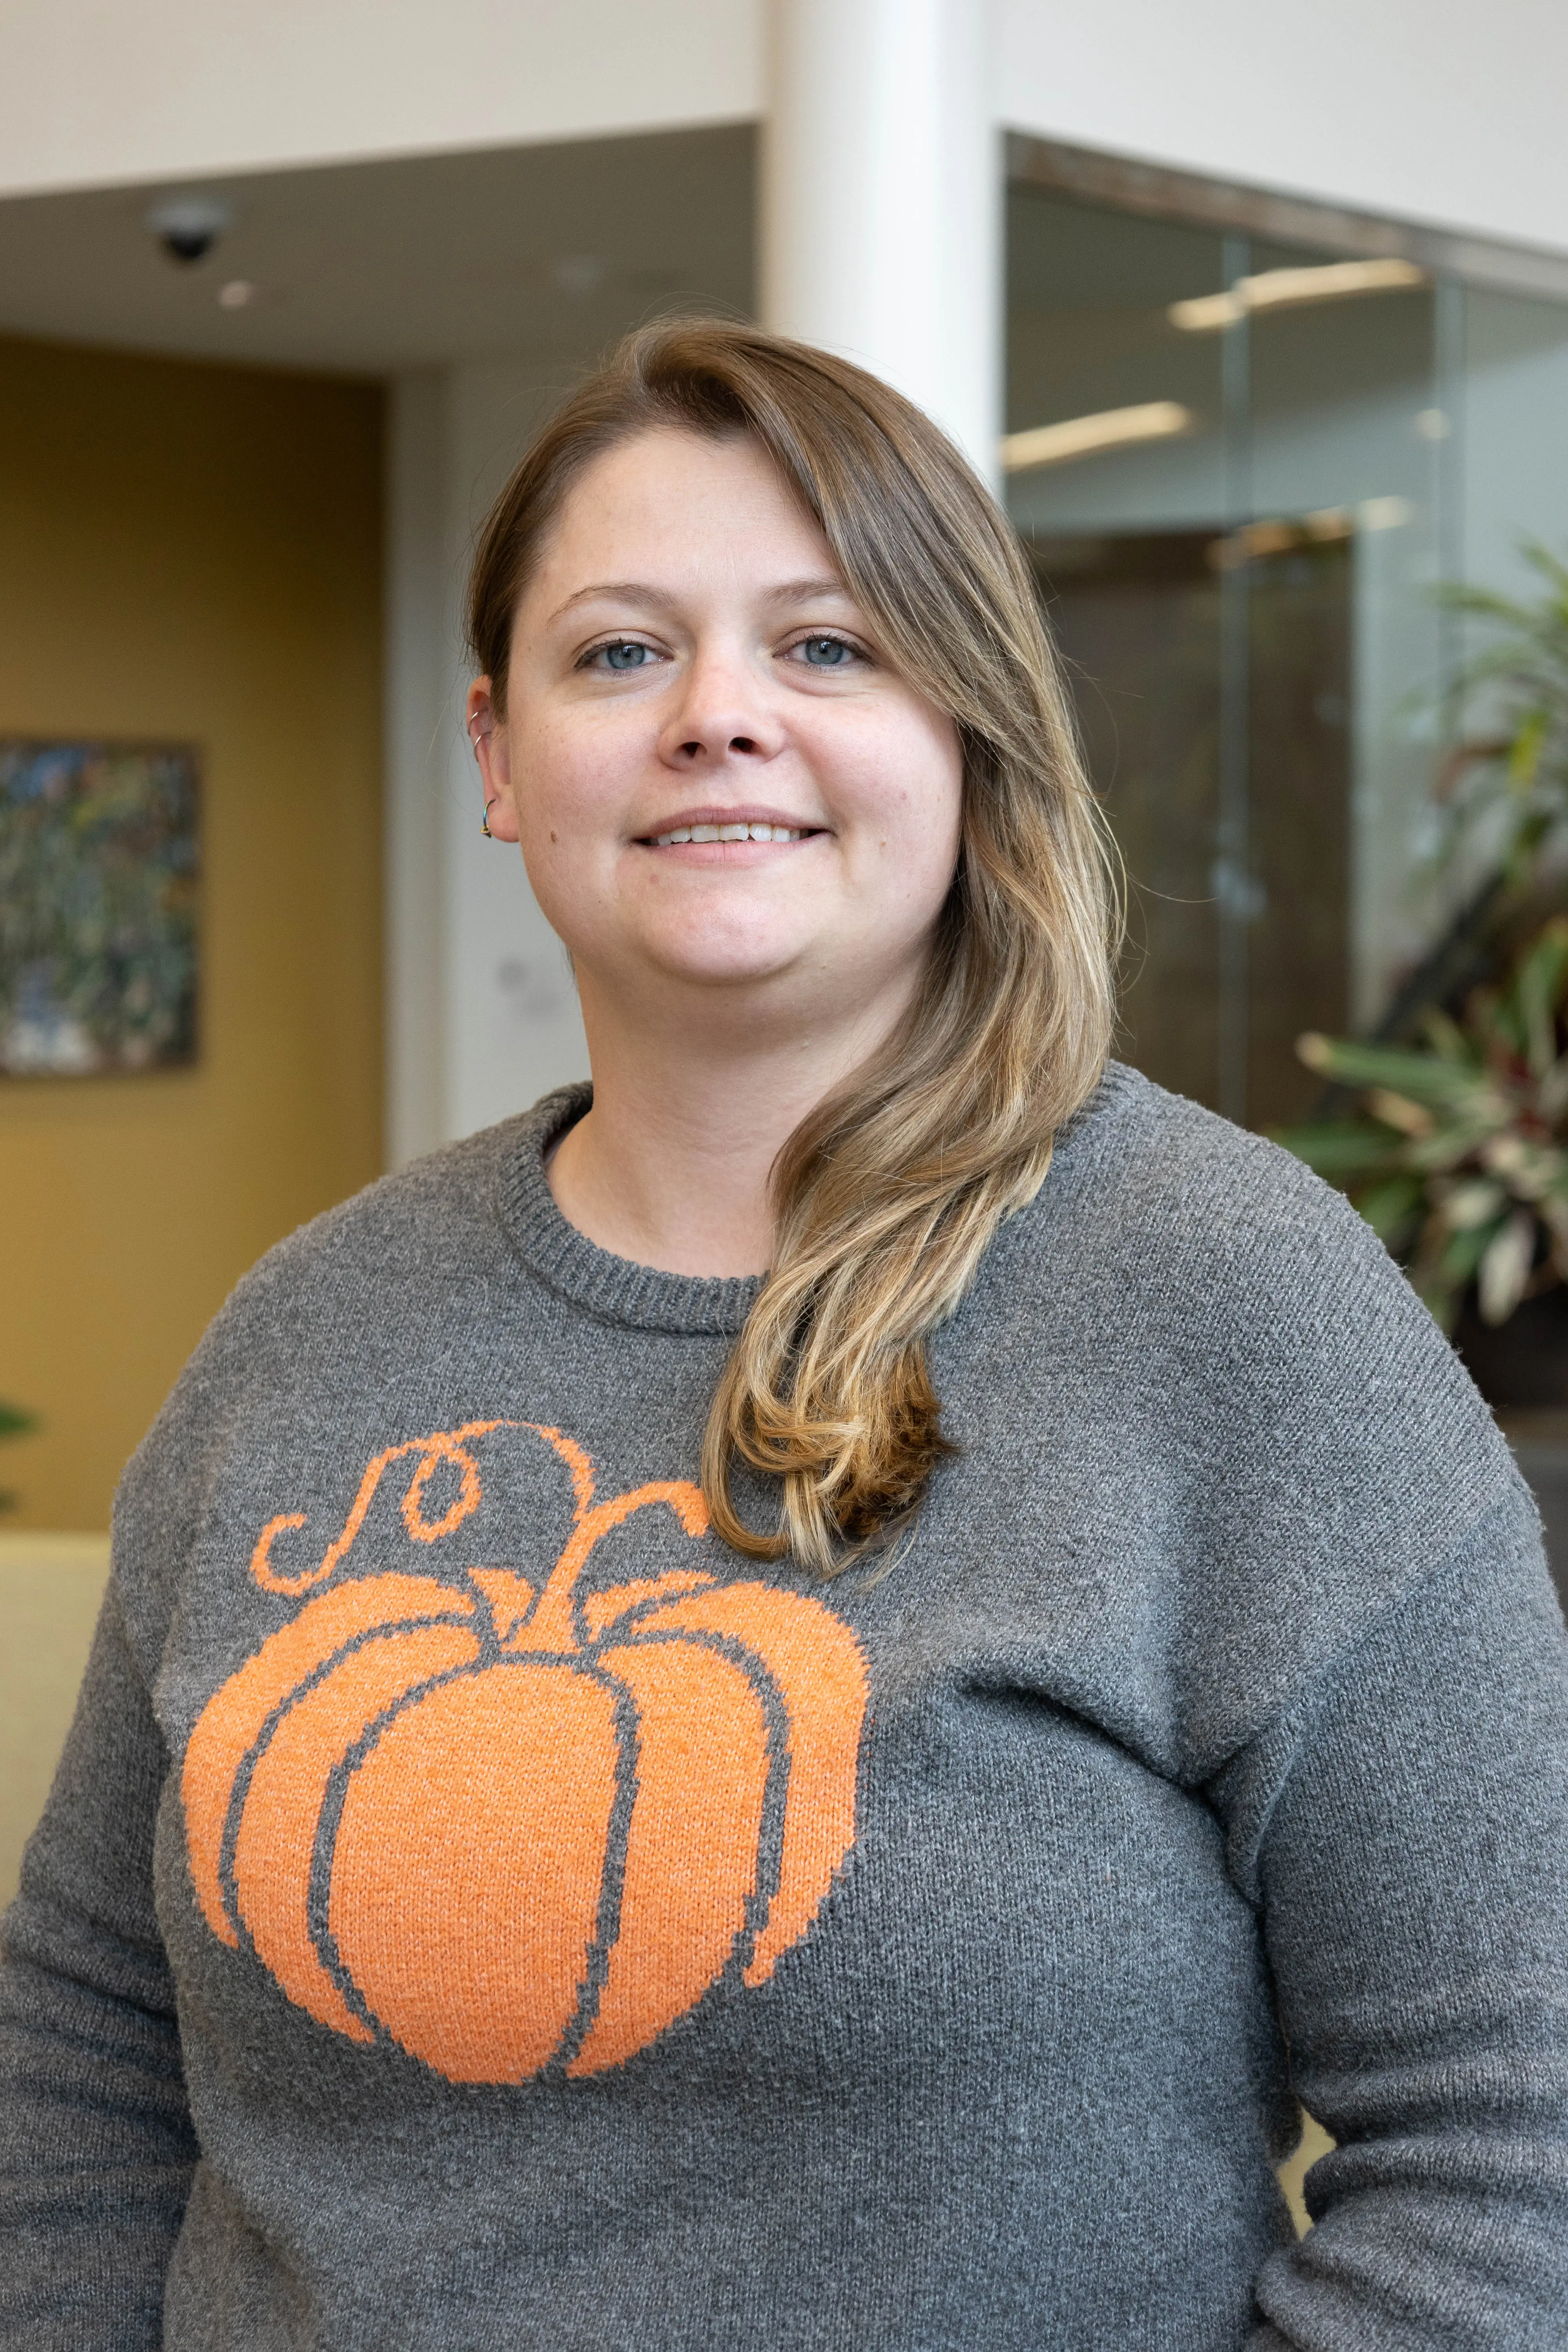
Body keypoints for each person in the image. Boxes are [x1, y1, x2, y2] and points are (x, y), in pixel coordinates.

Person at [2, 320, 1565, 2352]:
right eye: (621, 652)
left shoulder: (1230, 1308)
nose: (719, 717)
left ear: (970, 737)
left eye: (827, 648)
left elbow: (1514, 2148)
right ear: (498, 754)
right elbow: (82, 2056)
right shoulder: (306, 1331)